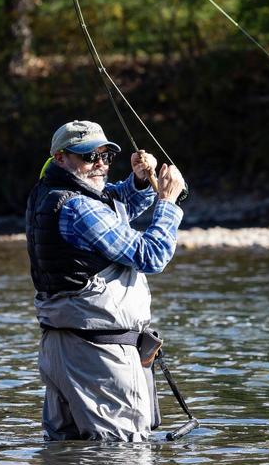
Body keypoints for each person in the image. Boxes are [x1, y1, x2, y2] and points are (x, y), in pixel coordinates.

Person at [25, 119, 186, 441]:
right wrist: (167, 203)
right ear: (60, 158)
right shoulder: (78, 207)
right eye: (88, 157)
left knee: (68, 457)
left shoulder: (50, 194)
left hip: (62, 348)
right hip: (98, 357)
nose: (100, 164)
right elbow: (151, 256)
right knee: (121, 461)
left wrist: (140, 183)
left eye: (106, 156)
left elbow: (112, 200)